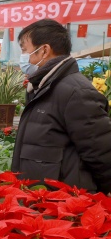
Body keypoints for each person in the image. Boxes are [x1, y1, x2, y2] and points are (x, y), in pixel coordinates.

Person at [12, 18, 111, 193]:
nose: (22, 57)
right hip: (42, 199)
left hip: (64, 202)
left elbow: (102, 153)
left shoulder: (75, 92)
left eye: (24, 49)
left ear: (44, 50)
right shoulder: (42, 87)